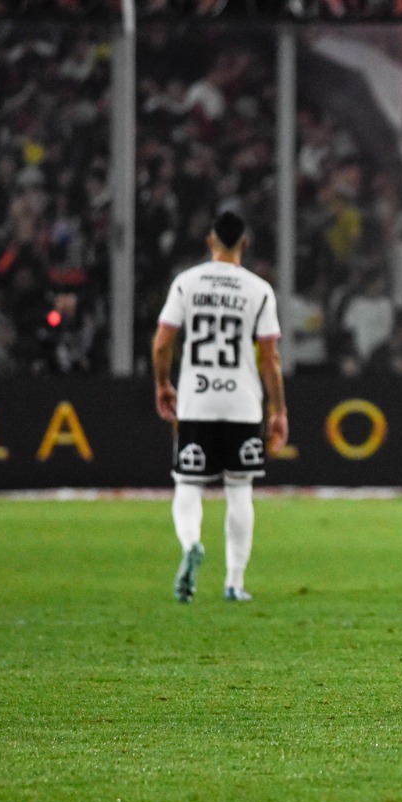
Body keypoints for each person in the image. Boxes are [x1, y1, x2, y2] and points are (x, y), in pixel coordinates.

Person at [152, 210, 288, 604]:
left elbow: (163, 342)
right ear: (243, 245)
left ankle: (192, 543)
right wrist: (278, 410)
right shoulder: (259, 289)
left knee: (189, 483)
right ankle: (234, 581)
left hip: (196, 398)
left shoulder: (186, 283)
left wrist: (163, 384)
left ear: (210, 241)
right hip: (243, 401)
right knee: (239, 488)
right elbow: (270, 357)